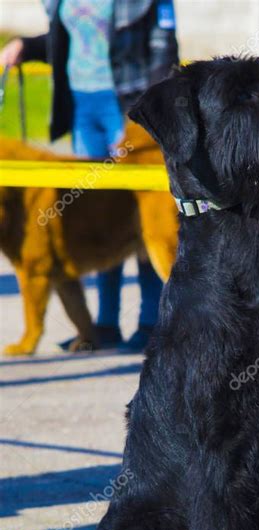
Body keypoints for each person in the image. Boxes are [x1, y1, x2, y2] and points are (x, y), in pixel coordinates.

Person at [0, 0, 179, 351]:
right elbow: (69, 37)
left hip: (127, 103)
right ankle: (106, 325)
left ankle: (152, 324)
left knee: (145, 220)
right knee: (96, 219)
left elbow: (165, 52)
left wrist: (142, 120)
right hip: (84, 106)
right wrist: (28, 46)